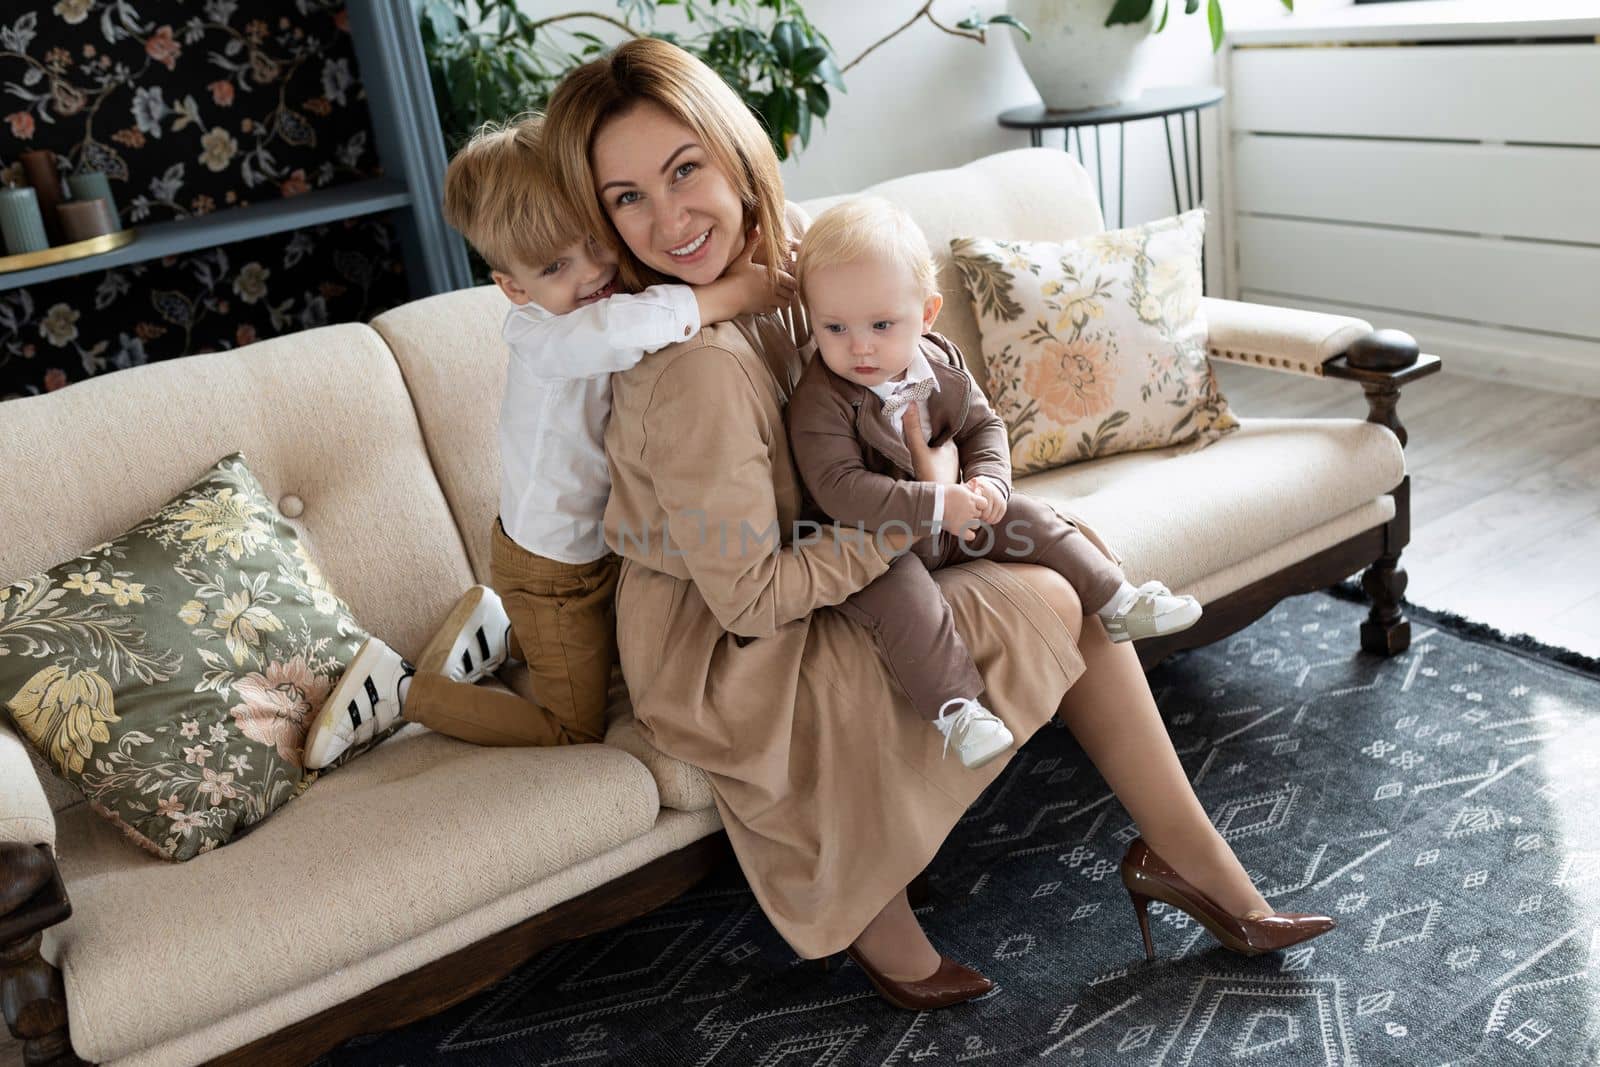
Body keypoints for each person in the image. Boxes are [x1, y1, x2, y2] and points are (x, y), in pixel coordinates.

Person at [542, 38, 1335, 1010]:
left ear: (731, 149)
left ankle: (1191, 858)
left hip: (842, 543)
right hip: (728, 637)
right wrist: (926, 501)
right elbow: (747, 597)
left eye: (682, 170)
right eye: (626, 197)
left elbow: (925, 380)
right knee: (1046, 593)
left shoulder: (796, 268)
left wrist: (950, 478)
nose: (667, 219)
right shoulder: (691, 363)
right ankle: (1135, 870)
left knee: (1061, 562)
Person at [300, 114, 794, 769]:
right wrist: (733, 292)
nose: (593, 273)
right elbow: (620, 328)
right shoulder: (543, 334)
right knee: (573, 723)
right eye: (557, 265)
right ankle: (402, 689)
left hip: (593, 544)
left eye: (595, 241)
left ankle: (495, 631)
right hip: (552, 569)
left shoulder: (594, 297)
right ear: (514, 287)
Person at [785, 197, 1203, 772]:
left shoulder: (942, 363)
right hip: (868, 545)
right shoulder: (819, 400)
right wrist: (937, 503)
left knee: (1032, 517)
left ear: (926, 314)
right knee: (906, 600)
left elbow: (984, 426)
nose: (859, 346)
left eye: (882, 325)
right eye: (834, 327)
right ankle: (957, 709)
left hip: (953, 517)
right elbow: (840, 489)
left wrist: (989, 484)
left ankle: (1115, 597)